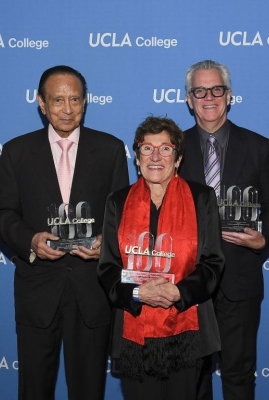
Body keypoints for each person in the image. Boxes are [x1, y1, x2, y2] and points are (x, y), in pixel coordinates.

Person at [0, 65, 129, 400]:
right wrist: (31, 240)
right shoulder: (16, 151)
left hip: (92, 289)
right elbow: (0, 214)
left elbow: (122, 215)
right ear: (41, 103)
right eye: (57, 100)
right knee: (34, 389)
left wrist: (105, 244)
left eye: (75, 99)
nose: (67, 108)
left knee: (89, 390)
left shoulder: (110, 149)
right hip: (38, 288)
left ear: (85, 101)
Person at [97, 116, 224, 400]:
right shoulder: (117, 201)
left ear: (177, 158)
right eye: (147, 148)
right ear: (137, 156)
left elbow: (213, 263)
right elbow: (107, 267)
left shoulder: (202, 197)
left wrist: (178, 291)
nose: (156, 156)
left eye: (165, 148)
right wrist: (139, 292)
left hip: (188, 331)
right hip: (134, 329)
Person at [179, 60, 269, 400]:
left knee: (238, 376)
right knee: (192, 376)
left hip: (240, 280)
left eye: (216, 89)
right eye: (200, 91)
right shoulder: (170, 149)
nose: (209, 97)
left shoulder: (259, 147)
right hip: (186, 282)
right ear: (189, 99)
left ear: (229, 95)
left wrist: (263, 237)